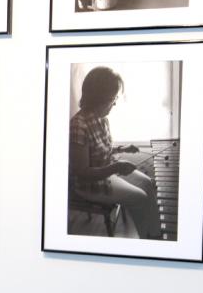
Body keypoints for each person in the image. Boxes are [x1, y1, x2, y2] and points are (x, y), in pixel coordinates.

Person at [68, 66, 162, 239]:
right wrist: (116, 167)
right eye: (112, 98)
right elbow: (82, 172)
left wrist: (122, 149)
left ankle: (155, 235)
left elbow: (101, 151)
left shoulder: (102, 119)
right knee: (140, 198)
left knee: (148, 183)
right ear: (98, 98)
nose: (114, 103)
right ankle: (148, 243)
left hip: (108, 172)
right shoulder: (78, 126)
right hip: (89, 185)